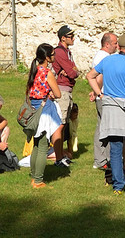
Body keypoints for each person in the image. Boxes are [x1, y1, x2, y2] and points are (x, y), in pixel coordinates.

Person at [89, 29, 125, 193]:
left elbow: (90, 76)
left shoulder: (107, 61)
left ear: (119, 46)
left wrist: (99, 93)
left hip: (110, 107)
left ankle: (118, 186)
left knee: (114, 149)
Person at [21, 43, 65, 189]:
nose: (54, 56)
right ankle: (38, 180)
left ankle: (34, 177)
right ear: (47, 57)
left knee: (36, 145)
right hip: (44, 111)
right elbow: (58, 94)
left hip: (34, 109)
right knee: (43, 147)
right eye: (52, 54)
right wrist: (51, 94)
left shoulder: (34, 70)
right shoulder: (47, 73)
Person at [51, 24, 79, 163]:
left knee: (64, 125)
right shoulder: (60, 52)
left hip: (67, 90)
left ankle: (61, 154)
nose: (73, 38)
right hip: (61, 91)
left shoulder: (67, 52)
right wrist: (71, 71)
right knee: (60, 125)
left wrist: (71, 71)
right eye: (70, 36)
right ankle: (58, 157)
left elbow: (74, 71)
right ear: (63, 38)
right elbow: (73, 72)